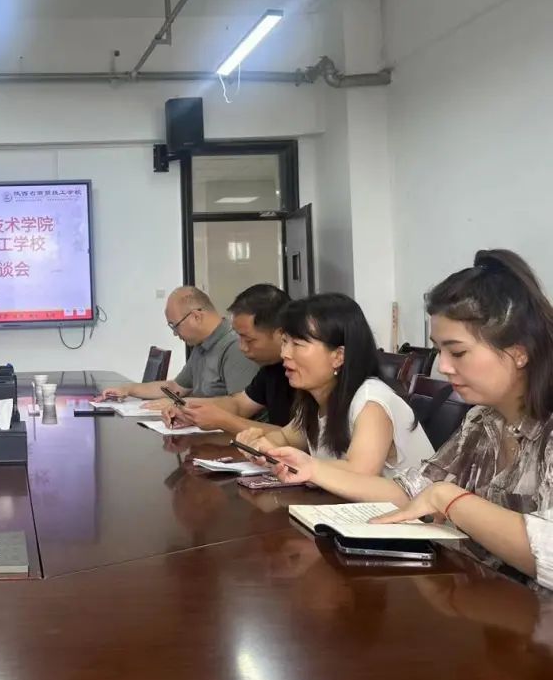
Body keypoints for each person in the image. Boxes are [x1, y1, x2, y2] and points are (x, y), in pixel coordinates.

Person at [260, 250, 553, 591]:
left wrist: (449, 499)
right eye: (439, 350)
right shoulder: (482, 420)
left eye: (458, 352)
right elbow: (411, 492)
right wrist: (312, 469)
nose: (443, 366)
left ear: (519, 351)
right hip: (483, 596)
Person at [237, 293, 432, 476]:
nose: (284, 354)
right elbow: (286, 438)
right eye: (284, 342)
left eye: (297, 344)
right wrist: (261, 445)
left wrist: (297, 461)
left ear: (338, 356)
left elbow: (359, 473)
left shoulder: (371, 402)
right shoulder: (316, 397)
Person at [162, 284, 294, 434]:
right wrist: (189, 409)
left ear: (280, 334)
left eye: (249, 340)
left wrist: (223, 420)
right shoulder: (271, 368)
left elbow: (294, 438)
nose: (242, 347)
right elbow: (239, 404)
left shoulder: (303, 371)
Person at [99, 286, 258, 405]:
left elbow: (239, 405)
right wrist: (128, 389)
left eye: (175, 326)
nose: (175, 334)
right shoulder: (200, 345)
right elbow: (176, 387)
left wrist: (181, 404)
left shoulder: (236, 346)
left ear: (196, 317)